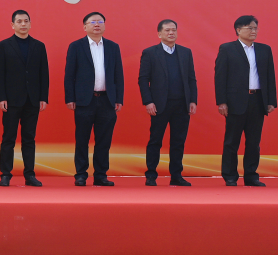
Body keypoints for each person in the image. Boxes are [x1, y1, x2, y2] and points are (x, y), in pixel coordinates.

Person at [214, 15, 277, 187]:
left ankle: (251, 176)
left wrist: (271, 100)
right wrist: (222, 102)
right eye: (250, 28)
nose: (253, 31)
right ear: (238, 30)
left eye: (255, 28)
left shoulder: (264, 50)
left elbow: (270, 76)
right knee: (232, 141)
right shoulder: (227, 49)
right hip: (235, 101)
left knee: (254, 142)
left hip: (257, 100)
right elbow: (220, 77)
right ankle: (230, 176)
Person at [64, 12, 124, 187]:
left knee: (104, 141)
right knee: (82, 139)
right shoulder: (76, 46)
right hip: (84, 100)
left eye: (100, 21)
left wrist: (118, 98)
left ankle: (100, 175)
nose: (97, 24)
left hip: (107, 100)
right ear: (85, 27)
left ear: (104, 25)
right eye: (92, 22)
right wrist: (70, 97)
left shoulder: (113, 47)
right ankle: (81, 175)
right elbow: (69, 75)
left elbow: (118, 75)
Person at [138, 19, 198, 187]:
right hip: (159, 105)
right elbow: (143, 79)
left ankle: (176, 176)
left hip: (182, 104)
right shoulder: (150, 53)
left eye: (174, 30)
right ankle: (151, 175)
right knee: (155, 140)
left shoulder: (185, 52)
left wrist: (193, 100)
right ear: (159, 34)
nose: (171, 33)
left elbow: (191, 79)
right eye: (167, 30)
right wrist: (148, 101)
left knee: (178, 142)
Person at [0, 9, 48, 187]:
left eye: (26, 21)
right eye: (19, 21)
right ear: (12, 25)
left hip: (32, 99)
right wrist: (1, 97)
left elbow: (44, 74)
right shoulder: (4, 45)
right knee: (8, 138)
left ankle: (30, 174)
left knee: (29, 138)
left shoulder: (39, 46)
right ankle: (5, 174)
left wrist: (43, 97)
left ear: (30, 24)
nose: (23, 24)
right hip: (11, 100)